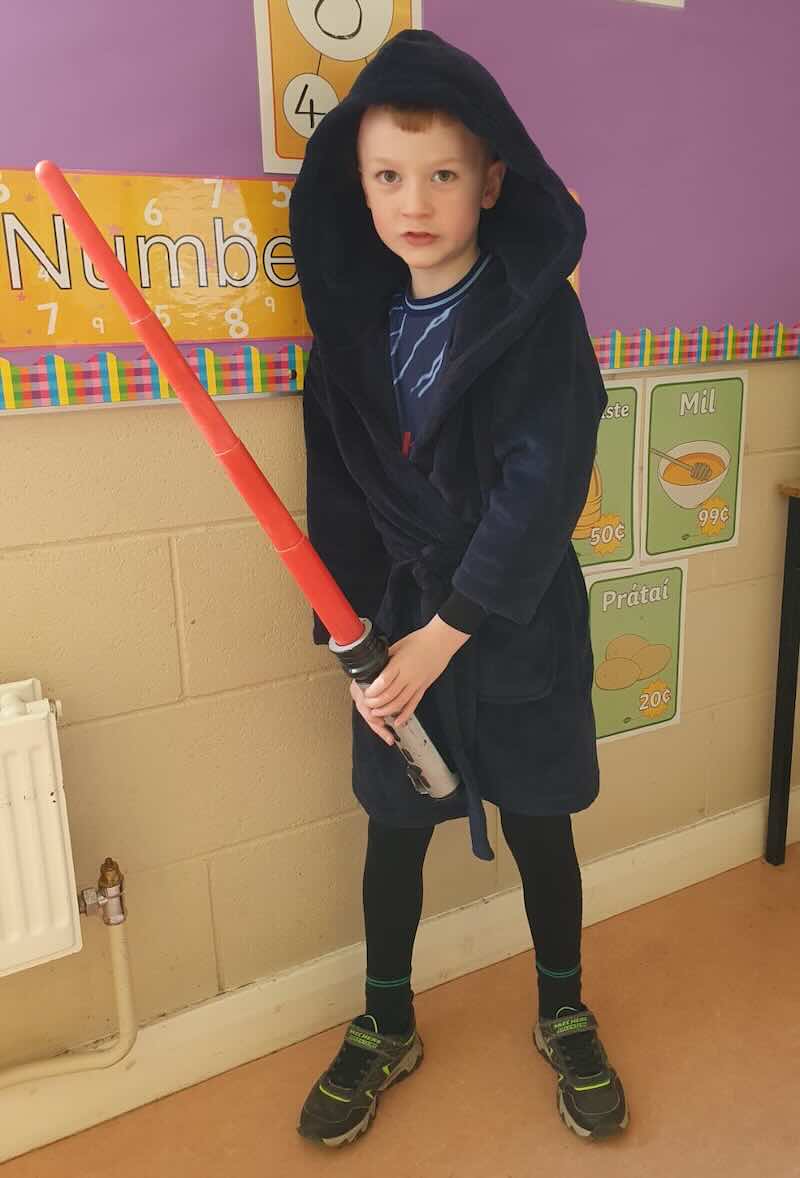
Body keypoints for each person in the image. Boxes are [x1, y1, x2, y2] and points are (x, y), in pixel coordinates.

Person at [289, 28, 628, 1148]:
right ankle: (386, 1020)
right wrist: (352, 648)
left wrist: (450, 630)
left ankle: (563, 1007)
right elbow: (338, 502)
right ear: (358, 187)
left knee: (539, 822)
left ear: (490, 182)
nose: (414, 201)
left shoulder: (534, 315)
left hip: (510, 614)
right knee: (394, 831)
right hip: (390, 626)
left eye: (441, 174)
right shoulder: (349, 337)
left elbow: (541, 489)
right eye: (388, 176)